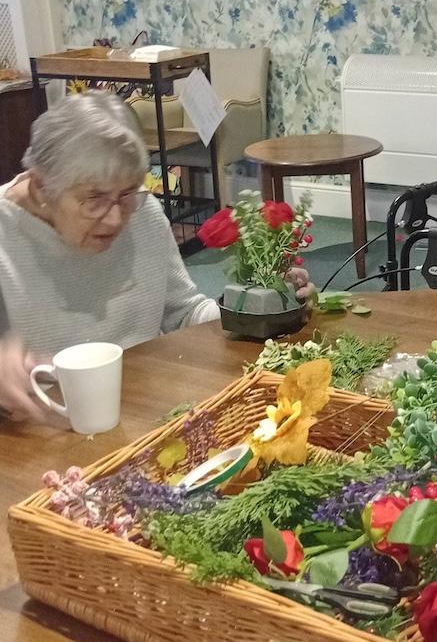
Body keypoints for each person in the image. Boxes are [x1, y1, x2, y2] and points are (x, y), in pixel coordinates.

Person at [0, 91, 311, 421]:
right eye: (94, 200)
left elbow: (183, 312)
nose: (116, 218)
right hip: (41, 440)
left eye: (126, 194)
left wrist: (264, 305)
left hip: (149, 413)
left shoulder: (142, 210)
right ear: (40, 189)